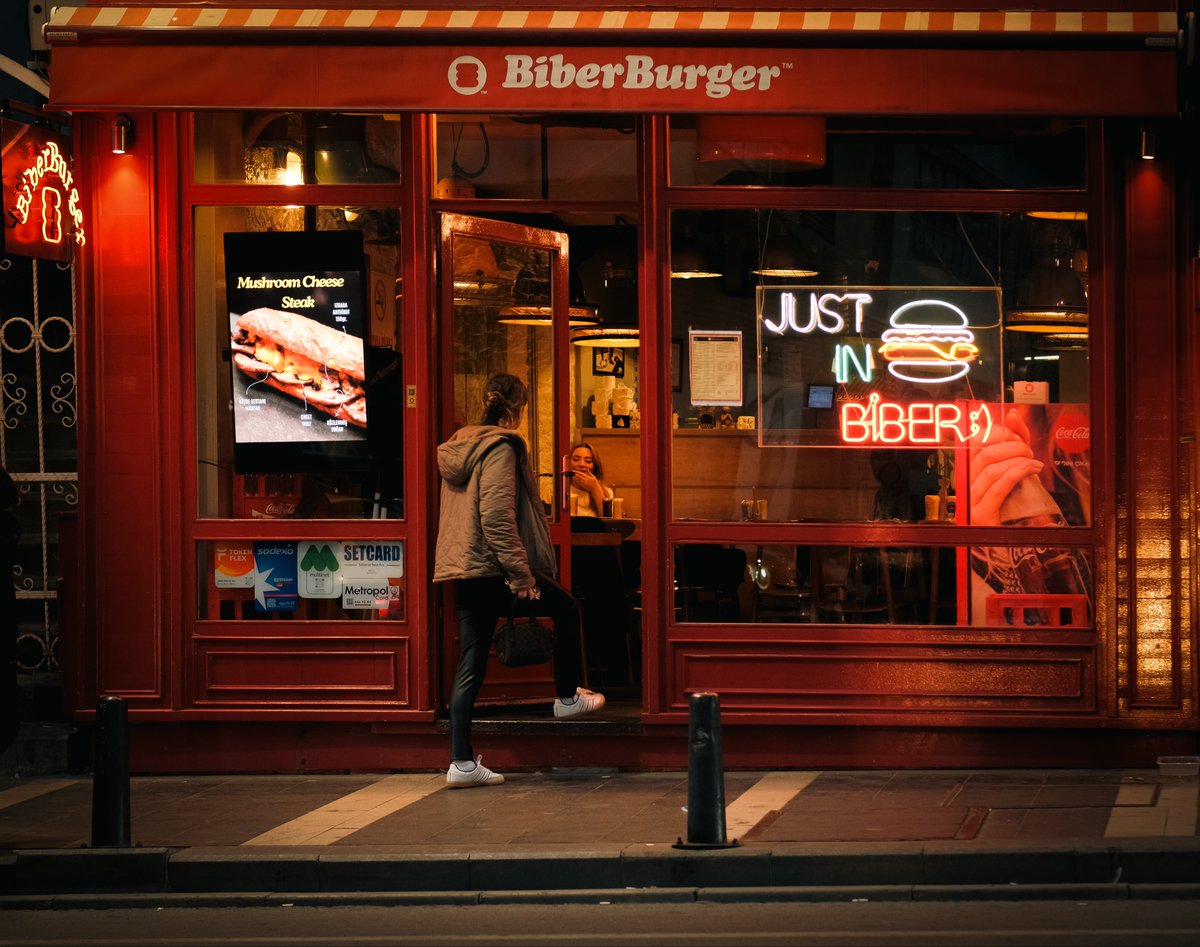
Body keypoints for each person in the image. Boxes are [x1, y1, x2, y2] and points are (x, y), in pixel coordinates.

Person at [433, 373, 605, 788]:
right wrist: (521, 574)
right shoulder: (501, 447)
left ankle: (461, 763)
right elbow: (496, 516)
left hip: (465, 567)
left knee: (471, 661)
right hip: (494, 568)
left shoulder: (462, 444)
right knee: (565, 606)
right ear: (517, 410)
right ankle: (565, 698)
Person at [568, 442, 613, 517]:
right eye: (576, 460)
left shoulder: (607, 493)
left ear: (594, 466)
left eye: (588, 461)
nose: (582, 464)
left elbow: (609, 523)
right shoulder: (557, 491)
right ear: (568, 463)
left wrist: (595, 489)